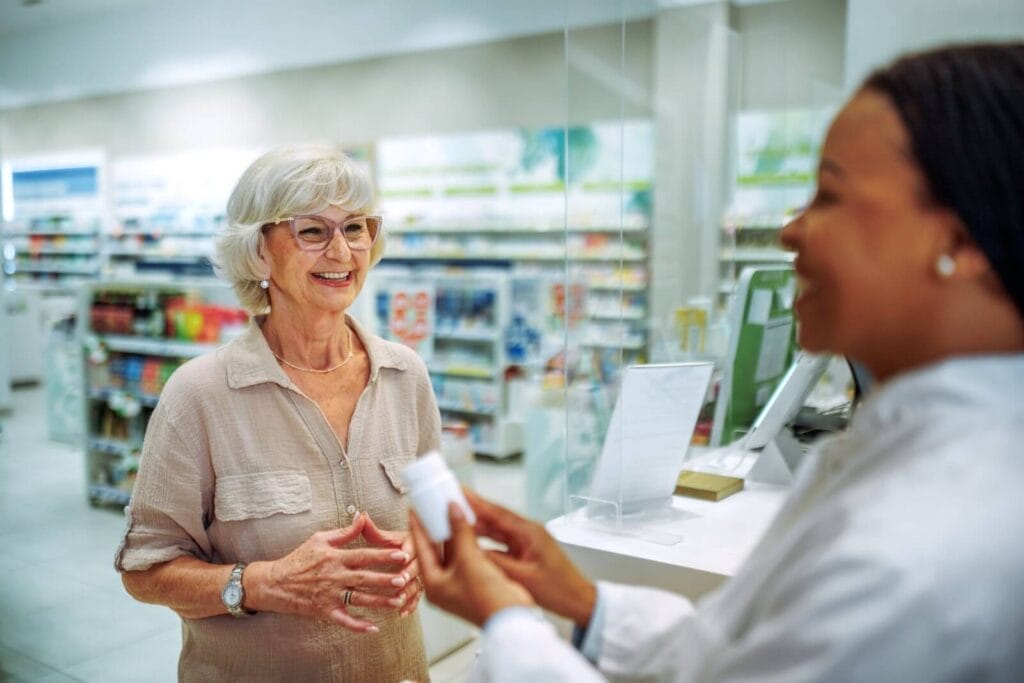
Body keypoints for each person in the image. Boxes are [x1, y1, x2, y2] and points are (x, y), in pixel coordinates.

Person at [411, 42, 1024, 682]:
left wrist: (507, 622)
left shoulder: (916, 554)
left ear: (959, 240)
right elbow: (737, 651)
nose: (791, 230)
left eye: (829, 196)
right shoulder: (918, 453)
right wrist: (584, 601)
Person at [116, 145, 439, 682]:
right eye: (313, 232)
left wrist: (427, 558)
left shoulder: (405, 376)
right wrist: (264, 583)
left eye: (356, 228)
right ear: (258, 252)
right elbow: (145, 570)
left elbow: (442, 523)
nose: (342, 252)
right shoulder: (199, 395)